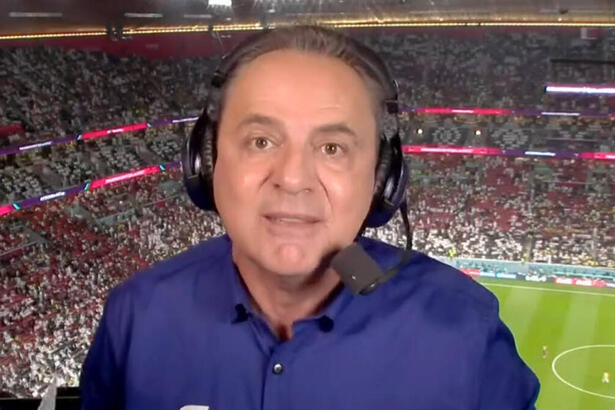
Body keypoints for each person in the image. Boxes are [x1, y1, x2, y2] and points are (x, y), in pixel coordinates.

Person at [80, 25, 539, 409]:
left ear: (381, 180)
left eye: (333, 148)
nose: (293, 178)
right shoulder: (136, 317)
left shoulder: (465, 333)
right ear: (206, 161)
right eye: (261, 141)